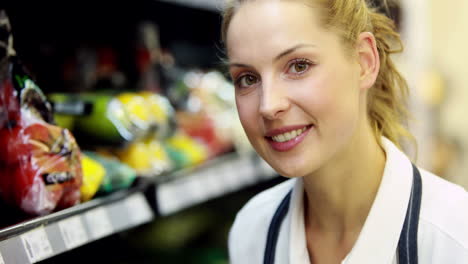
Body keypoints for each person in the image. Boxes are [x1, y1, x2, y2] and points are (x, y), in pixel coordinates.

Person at [221, 0, 468, 263]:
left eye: (299, 66)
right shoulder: (251, 233)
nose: (268, 105)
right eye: (247, 78)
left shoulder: (454, 239)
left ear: (364, 62)